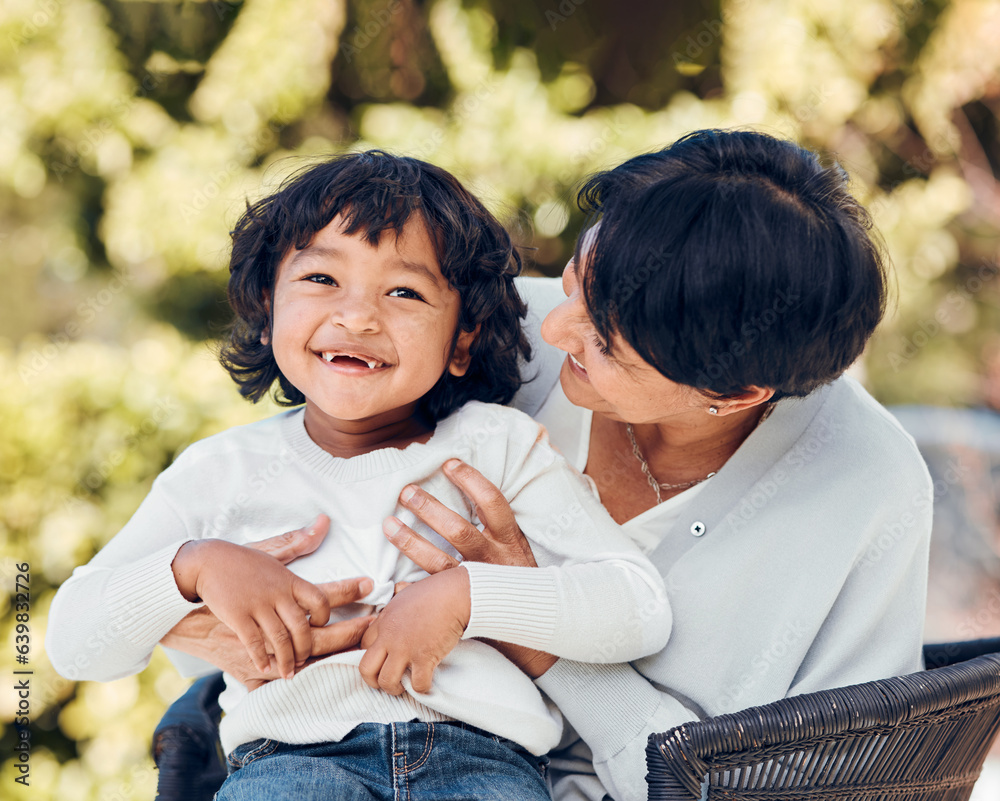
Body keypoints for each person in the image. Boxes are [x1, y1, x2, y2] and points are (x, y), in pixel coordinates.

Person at [153, 129, 933, 801]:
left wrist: (523, 619)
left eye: (604, 340)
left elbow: (810, 784)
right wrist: (232, 608)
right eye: (570, 284)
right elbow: (267, 508)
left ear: (735, 391)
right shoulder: (485, 332)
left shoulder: (865, 490)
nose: (553, 328)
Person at [44, 152, 672, 800]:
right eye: (321, 277)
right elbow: (72, 644)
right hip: (288, 765)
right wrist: (194, 566)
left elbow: (636, 608)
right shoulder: (219, 472)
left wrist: (466, 596)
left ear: (463, 339)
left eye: (404, 291)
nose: (360, 316)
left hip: (482, 766)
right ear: (267, 307)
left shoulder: (499, 446)